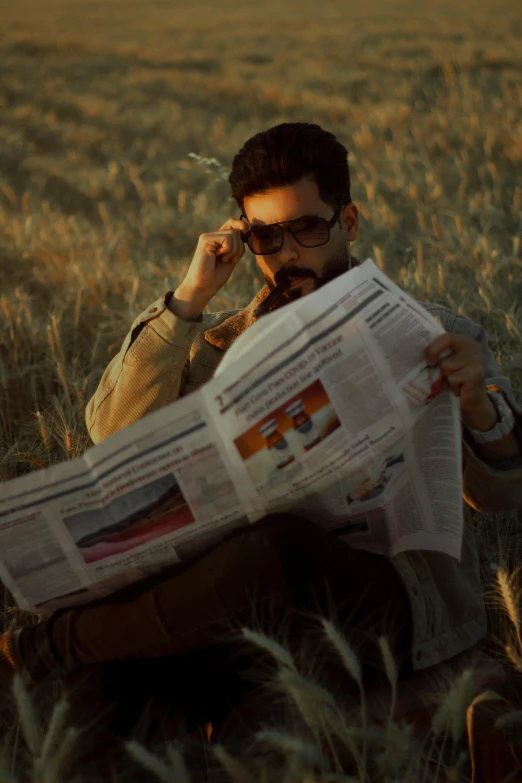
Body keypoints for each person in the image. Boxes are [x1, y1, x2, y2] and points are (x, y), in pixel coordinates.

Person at [1, 123, 522, 766]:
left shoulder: (431, 330)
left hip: (385, 597)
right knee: (109, 683)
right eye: (265, 237)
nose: (288, 254)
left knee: (277, 547)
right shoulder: (220, 347)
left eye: (306, 228)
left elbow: (501, 491)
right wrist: (190, 300)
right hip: (232, 604)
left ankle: (46, 646)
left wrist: (478, 404)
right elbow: (110, 432)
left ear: (349, 220)